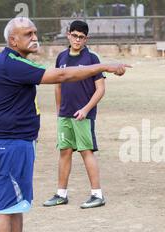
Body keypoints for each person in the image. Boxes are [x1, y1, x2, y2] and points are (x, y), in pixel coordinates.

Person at [0, 17, 130, 232]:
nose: (34, 37)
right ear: (12, 41)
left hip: (15, 141)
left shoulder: (5, 60)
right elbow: (62, 76)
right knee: (5, 206)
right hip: (10, 144)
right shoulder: (12, 64)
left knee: (17, 204)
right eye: (27, 34)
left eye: (35, 32)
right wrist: (105, 66)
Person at [43, 21, 107, 209]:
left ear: (86, 39)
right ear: (68, 34)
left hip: (83, 116)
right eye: (74, 35)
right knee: (64, 152)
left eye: (81, 37)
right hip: (65, 115)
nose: (77, 39)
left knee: (86, 152)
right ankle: (61, 194)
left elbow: (101, 89)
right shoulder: (61, 57)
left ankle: (97, 195)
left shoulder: (92, 59)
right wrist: (59, 110)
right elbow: (58, 85)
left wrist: (86, 109)